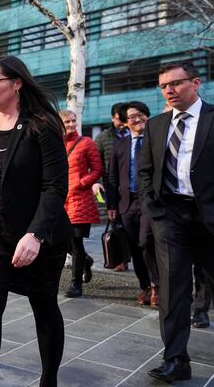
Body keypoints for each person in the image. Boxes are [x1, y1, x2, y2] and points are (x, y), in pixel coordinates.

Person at [0, 56, 73, 387]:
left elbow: (55, 187)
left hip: (37, 238)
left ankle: (48, 378)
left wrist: (35, 234)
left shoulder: (41, 125)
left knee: (45, 308)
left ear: (17, 83)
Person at [140, 62, 214, 383]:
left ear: (195, 83)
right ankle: (176, 359)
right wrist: (153, 210)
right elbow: (145, 171)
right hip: (169, 216)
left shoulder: (212, 118)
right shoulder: (155, 125)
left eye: (176, 84)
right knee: (172, 291)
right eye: (163, 86)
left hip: (209, 216)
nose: (169, 90)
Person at [106, 101, 158, 307]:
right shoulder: (121, 144)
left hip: (150, 201)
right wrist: (111, 204)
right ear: (125, 123)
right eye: (131, 117)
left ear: (147, 115)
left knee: (146, 242)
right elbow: (111, 177)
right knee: (135, 247)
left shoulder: (155, 141)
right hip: (126, 203)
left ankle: (157, 286)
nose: (136, 119)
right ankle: (145, 286)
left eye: (139, 115)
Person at [59, 110, 103, 298]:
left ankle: (76, 284)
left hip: (79, 199)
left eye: (73, 121)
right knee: (64, 243)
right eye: (66, 122)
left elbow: (97, 169)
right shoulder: (55, 144)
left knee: (75, 243)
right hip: (60, 201)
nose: (71, 125)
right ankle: (86, 261)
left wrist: (82, 183)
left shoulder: (87, 143)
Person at [92, 103, 129, 271]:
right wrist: (97, 181)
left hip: (134, 187)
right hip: (112, 187)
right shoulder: (103, 138)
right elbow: (96, 163)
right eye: (118, 120)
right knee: (116, 225)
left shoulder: (137, 132)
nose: (122, 124)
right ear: (112, 118)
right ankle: (120, 259)